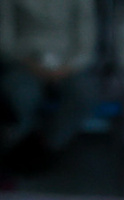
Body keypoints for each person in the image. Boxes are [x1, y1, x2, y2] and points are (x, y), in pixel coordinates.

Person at [0, 0, 98, 172]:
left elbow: (87, 42)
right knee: (21, 94)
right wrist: (32, 66)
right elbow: (5, 38)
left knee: (85, 94)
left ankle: (47, 147)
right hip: (24, 60)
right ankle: (17, 147)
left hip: (69, 62)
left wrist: (65, 69)